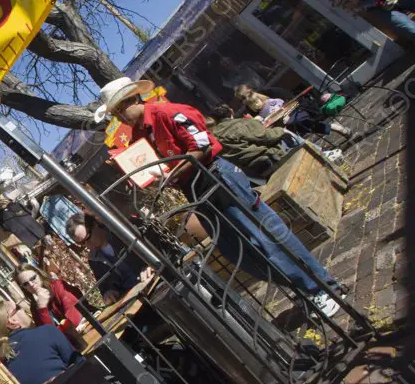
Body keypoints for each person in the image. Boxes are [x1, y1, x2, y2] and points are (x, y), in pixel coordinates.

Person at [94, 76, 345, 317]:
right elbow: (155, 166)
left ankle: (323, 288)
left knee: (265, 236)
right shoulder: (139, 137)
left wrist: (172, 172)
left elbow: (201, 145)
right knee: (239, 253)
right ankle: (304, 288)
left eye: (117, 113)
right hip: (196, 189)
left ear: (129, 102)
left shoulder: (166, 113)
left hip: (215, 176)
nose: (119, 119)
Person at [0, 299, 78, 384]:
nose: (24, 310)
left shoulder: (3, 370)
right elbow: (79, 364)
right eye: (18, 308)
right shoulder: (46, 332)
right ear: (12, 322)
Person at [66, 211, 155, 307]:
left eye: (88, 238)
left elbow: (155, 246)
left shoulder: (121, 231)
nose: (87, 245)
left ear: (95, 224)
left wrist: (150, 264)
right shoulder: (93, 260)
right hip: (133, 302)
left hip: (154, 283)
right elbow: (104, 286)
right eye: (82, 243)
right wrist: (109, 293)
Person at [234, 85, 351, 139]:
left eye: (245, 97)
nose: (245, 102)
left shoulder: (270, 92)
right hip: (283, 123)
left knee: (293, 125)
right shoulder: (250, 108)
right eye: (242, 100)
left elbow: (293, 100)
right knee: (287, 131)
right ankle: (334, 128)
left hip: (299, 109)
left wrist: (287, 113)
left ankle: (331, 130)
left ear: (252, 91)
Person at [207, 104, 291, 178]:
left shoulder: (214, 137)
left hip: (250, 173)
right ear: (231, 111)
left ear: (214, 119)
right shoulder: (241, 123)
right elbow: (267, 137)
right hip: (269, 159)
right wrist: (280, 129)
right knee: (288, 137)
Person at [14, 263, 86, 344]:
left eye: (33, 278)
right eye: (25, 284)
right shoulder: (35, 308)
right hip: (70, 344)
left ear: (39, 274)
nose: (31, 285)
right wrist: (42, 308)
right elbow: (49, 336)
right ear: (23, 288)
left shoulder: (57, 286)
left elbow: (75, 315)